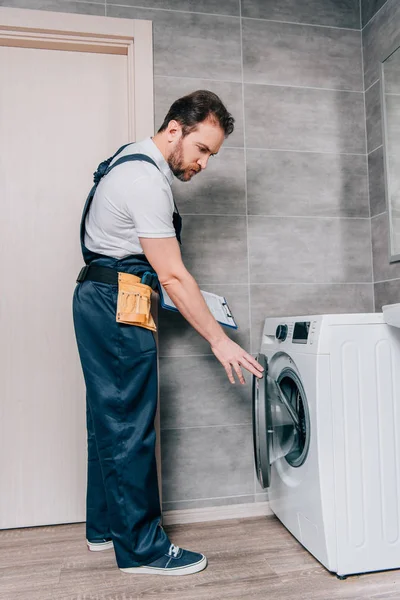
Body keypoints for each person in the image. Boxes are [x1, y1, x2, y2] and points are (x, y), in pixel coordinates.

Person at [73, 90, 264, 576]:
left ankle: (106, 527)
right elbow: (175, 276)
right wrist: (220, 341)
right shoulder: (145, 181)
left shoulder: (129, 159)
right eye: (202, 149)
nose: (203, 164)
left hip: (106, 296)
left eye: (211, 156)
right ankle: (143, 550)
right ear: (175, 129)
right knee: (129, 424)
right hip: (116, 302)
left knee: (110, 418)